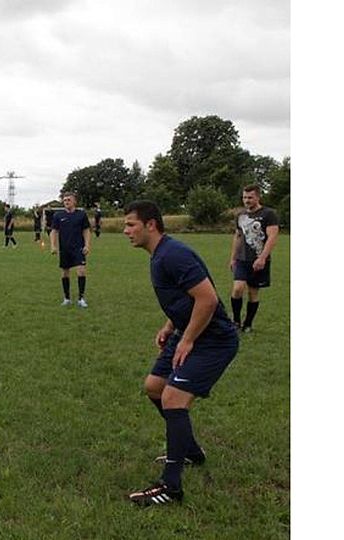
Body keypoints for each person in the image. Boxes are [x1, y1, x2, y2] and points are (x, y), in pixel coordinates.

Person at [122, 200, 239, 506]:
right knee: (154, 387)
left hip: (213, 339)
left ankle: (170, 487)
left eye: (131, 224)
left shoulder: (173, 254)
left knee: (173, 398)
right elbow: (186, 298)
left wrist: (186, 340)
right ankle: (191, 451)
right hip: (188, 331)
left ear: (151, 225)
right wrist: (169, 325)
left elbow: (208, 300)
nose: (125, 231)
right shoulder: (160, 255)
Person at [228, 185, 280, 333]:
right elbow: (238, 236)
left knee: (253, 292)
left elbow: (272, 237)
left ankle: (248, 324)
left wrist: (262, 258)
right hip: (242, 260)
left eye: (250, 197)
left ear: (258, 197)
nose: (247, 200)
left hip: (258, 260)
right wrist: (233, 258)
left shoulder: (269, 214)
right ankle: (236, 321)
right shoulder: (240, 215)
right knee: (237, 289)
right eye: (244, 197)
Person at [50, 193, 91, 307]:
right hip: (65, 249)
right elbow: (54, 231)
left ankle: (81, 298)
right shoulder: (58, 215)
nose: (66, 202)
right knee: (64, 273)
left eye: (69, 200)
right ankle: (67, 298)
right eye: (64, 200)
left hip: (78, 248)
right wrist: (53, 246)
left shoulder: (81, 215)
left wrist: (87, 245)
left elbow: (86, 230)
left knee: (81, 270)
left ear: (74, 202)